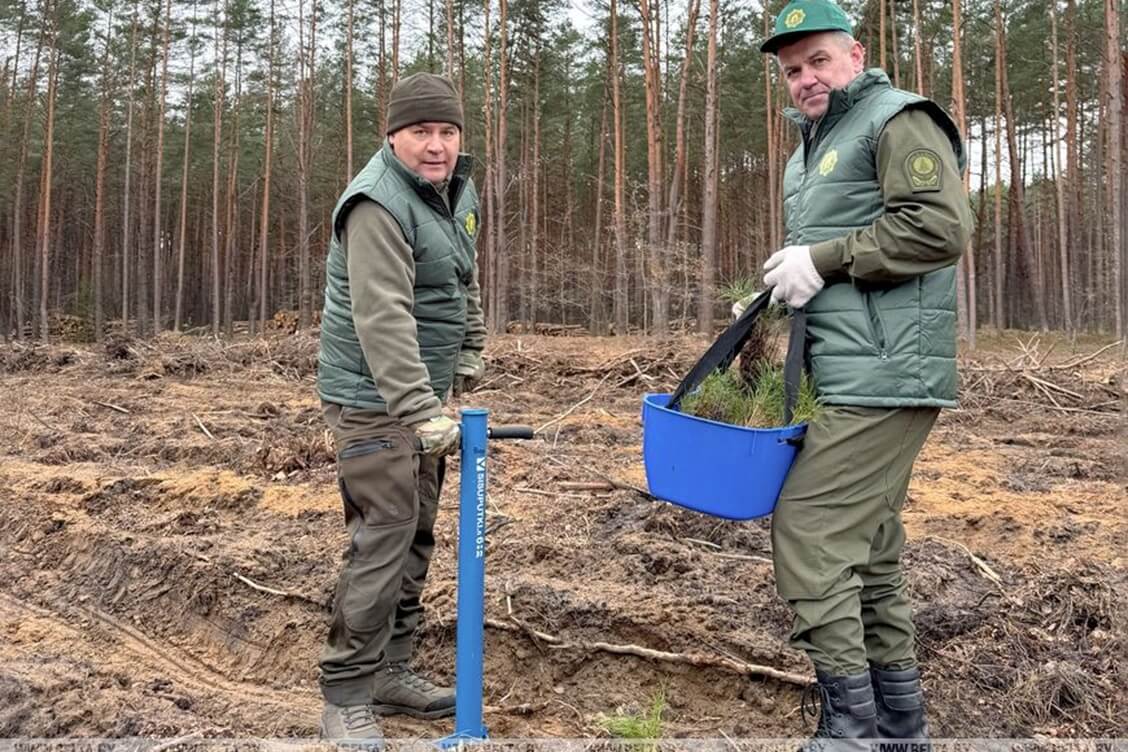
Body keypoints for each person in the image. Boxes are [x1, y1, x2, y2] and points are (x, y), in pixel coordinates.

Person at [754, 0, 973, 745]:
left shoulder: (894, 118)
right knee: (869, 548)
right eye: (791, 70)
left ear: (855, 53)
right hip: (848, 368)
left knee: (810, 530)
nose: (805, 78)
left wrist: (823, 258)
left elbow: (939, 227)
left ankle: (848, 728)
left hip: (885, 371)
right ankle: (898, 724)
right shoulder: (814, 144)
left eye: (817, 60)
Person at [315, 72, 487, 746]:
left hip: (422, 398)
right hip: (372, 400)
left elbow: (460, 275)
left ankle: (393, 669)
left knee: (415, 534)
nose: (436, 145)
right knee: (383, 536)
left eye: (447, 132)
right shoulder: (376, 205)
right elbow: (381, 315)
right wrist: (420, 409)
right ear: (393, 136)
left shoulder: (453, 191)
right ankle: (347, 693)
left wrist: (468, 348)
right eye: (421, 132)